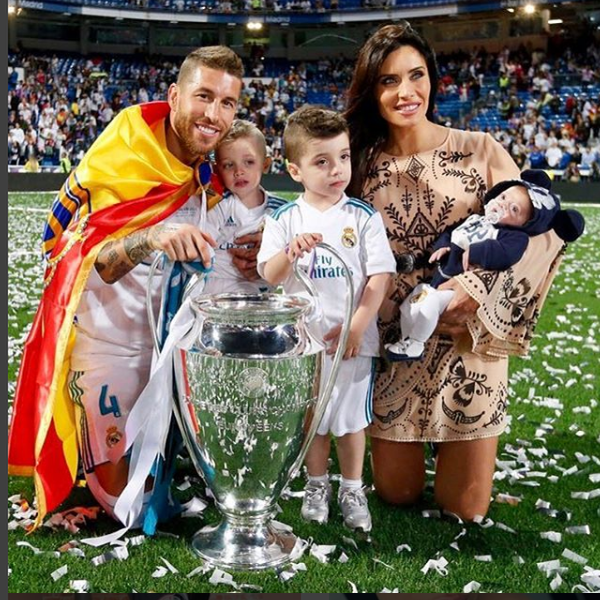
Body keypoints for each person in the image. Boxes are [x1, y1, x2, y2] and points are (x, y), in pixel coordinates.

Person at [8, 46, 251, 530]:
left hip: (174, 349)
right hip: (110, 344)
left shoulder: (209, 169)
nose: (214, 114)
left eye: (227, 103)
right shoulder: (125, 153)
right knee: (126, 503)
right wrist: (151, 237)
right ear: (174, 96)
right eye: (203, 96)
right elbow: (78, 256)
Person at [344, 22, 569, 521]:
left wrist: (476, 290)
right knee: (396, 493)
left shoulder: (481, 148)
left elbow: (543, 232)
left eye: (416, 75)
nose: (406, 91)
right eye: (388, 80)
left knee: (464, 509)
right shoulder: (357, 162)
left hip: (468, 334)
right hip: (395, 338)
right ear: (372, 90)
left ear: (432, 78)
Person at [257, 105, 396, 531]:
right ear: (294, 170)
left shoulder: (363, 217)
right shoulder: (284, 219)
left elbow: (380, 276)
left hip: (353, 341)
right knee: (314, 419)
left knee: (350, 421)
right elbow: (269, 274)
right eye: (322, 161)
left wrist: (357, 325)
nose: (337, 169)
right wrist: (290, 252)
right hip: (305, 343)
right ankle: (316, 484)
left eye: (343, 157)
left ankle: (352, 488)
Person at [385, 169, 584, 361]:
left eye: (514, 209)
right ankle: (405, 340)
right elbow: (452, 232)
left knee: (429, 304)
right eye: (503, 197)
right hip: (436, 278)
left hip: (456, 285)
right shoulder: (476, 220)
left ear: (527, 224)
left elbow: (507, 253)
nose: (502, 205)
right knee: (412, 304)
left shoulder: (513, 236)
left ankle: (416, 343)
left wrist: (477, 252)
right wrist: (443, 246)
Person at [203, 119, 286, 295]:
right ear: (218, 170)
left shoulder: (282, 211)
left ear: (265, 164)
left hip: (263, 296)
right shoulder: (217, 206)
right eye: (228, 165)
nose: (238, 171)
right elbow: (202, 250)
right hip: (215, 294)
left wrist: (270, 258)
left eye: (249, 162)